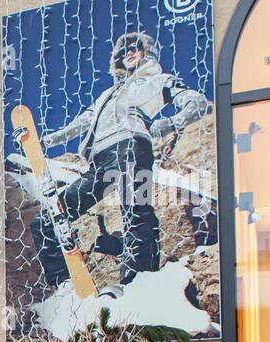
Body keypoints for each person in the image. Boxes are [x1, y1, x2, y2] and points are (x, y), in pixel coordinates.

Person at [15, 31, 210, 292]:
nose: (129, 53)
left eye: (136, 48)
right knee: (49, 219)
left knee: (136, 214)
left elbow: (197, 102)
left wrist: (170, 123)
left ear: (147, 52)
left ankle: (136, 286)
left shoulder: (158, 80)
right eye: (124, 51)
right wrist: (45, 142)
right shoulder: (106, 94)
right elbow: (81, 123)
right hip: (101, 161)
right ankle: (66, 289)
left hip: (133, 150)